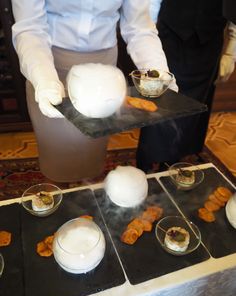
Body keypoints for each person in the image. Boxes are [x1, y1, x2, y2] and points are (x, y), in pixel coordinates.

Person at [11, 1, 177, 182]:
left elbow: (139, 28)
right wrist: (44, 81)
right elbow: (29, 28)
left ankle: (87, 194)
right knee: (57, 148)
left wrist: (157, 72)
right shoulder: (46, 72)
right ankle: (59, 195)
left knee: (92, 148)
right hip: (49, 63)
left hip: (104, 72)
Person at [136, 0, 236, 172]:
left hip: (209, 41)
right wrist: (148, 37)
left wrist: (231, 52)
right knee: (160, 101)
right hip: (169, 36)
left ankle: (174, 163)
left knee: (193, 108)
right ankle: (146, 163)